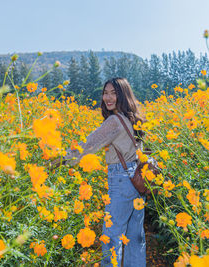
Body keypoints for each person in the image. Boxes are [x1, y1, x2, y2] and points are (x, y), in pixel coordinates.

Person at [62, 77, 146, 266]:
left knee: (111, 237)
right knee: (135, 238)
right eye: (105, 93)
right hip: (138, 180)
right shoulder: (134, 119)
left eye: (113, 93)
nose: (108, 98)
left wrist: (61, 159)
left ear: (123, 95)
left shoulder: (114, 121)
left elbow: (88, 145)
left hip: (122, 181)